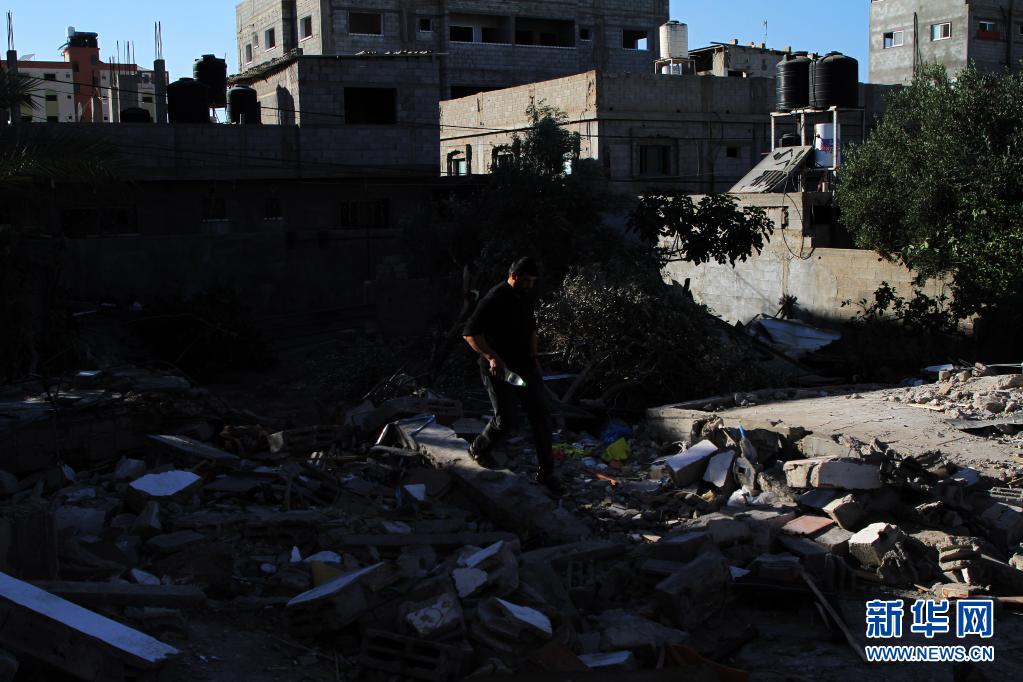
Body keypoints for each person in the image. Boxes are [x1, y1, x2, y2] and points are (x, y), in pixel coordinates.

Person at [462, 257, 561, 494]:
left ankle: (546, 473)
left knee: (541, 417)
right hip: (501, 369)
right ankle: (479, 448)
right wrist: (492, 357)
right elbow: (470, 334)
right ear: (514, 276)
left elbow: (532, 330)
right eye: (526, 280)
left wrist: (535, 358)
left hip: (524, 368)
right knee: (506, 420)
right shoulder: (494, 298)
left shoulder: (526, 297)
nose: (529, 285)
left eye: (532, 281)